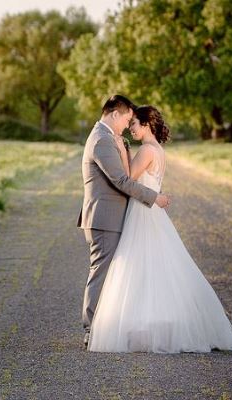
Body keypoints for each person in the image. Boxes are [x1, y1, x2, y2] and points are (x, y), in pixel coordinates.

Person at [87, 105, 232, 353]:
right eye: (129, 124)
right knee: (154, 266)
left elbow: (127, 179)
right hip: (151, 211)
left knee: (140, 267)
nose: (131, 129)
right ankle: (150, 322)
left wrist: (121, 149)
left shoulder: (146, 150)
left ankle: (139, 324)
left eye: (134, 124)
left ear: (147, 125)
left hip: (143, 212)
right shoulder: (158, 150)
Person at [77, 95, 171, 349]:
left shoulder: (112, 139)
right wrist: (154, 197)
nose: (128, 126)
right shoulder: (101, 140)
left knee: (116, 274)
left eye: (132, 122)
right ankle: (91, 329)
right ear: (115, 114)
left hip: (115, 217)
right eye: (127, 119)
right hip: (105, 218)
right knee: (101, 272)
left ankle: (109, 326)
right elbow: (121, 180)